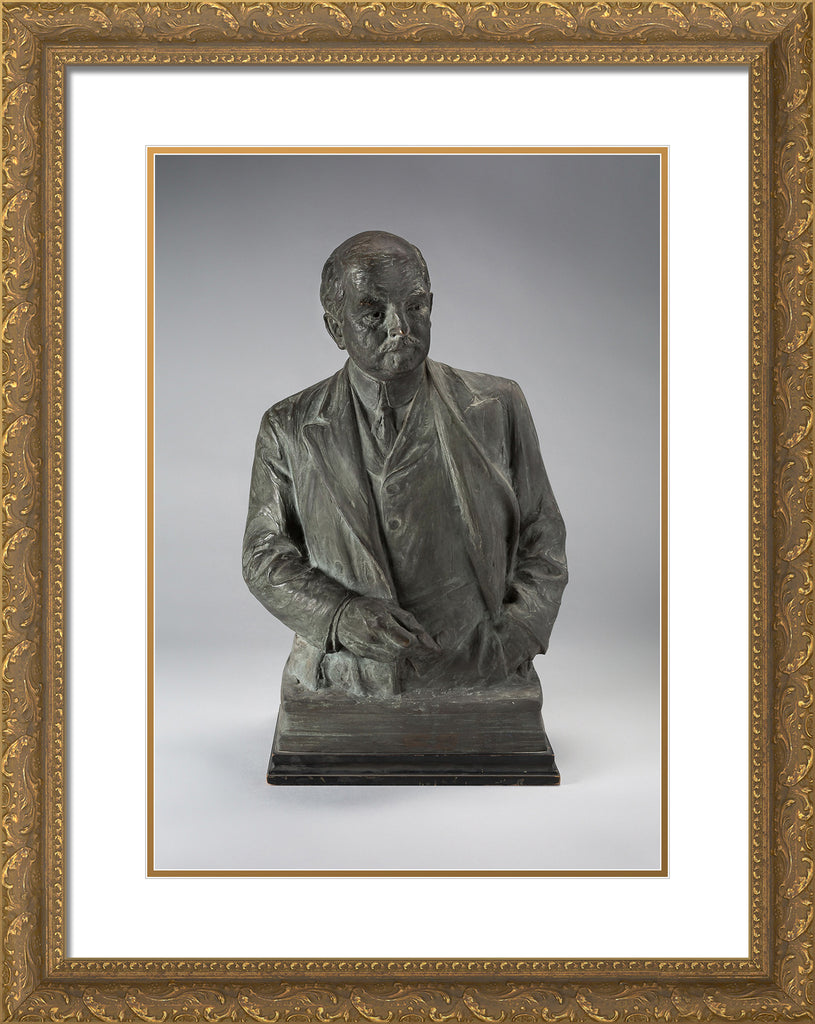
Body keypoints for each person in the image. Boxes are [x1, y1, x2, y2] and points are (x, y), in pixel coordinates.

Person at [242, 230, 567, 703]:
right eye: (373, 313)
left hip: (476, 663)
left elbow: (543, 533)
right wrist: (338, 616)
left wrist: (518, 635)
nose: (399, 327)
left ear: (431, 305)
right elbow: (263, 555)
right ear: (336, 328)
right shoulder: (289, 426)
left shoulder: (497, 406)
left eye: (414, 306)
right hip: (354, 671)